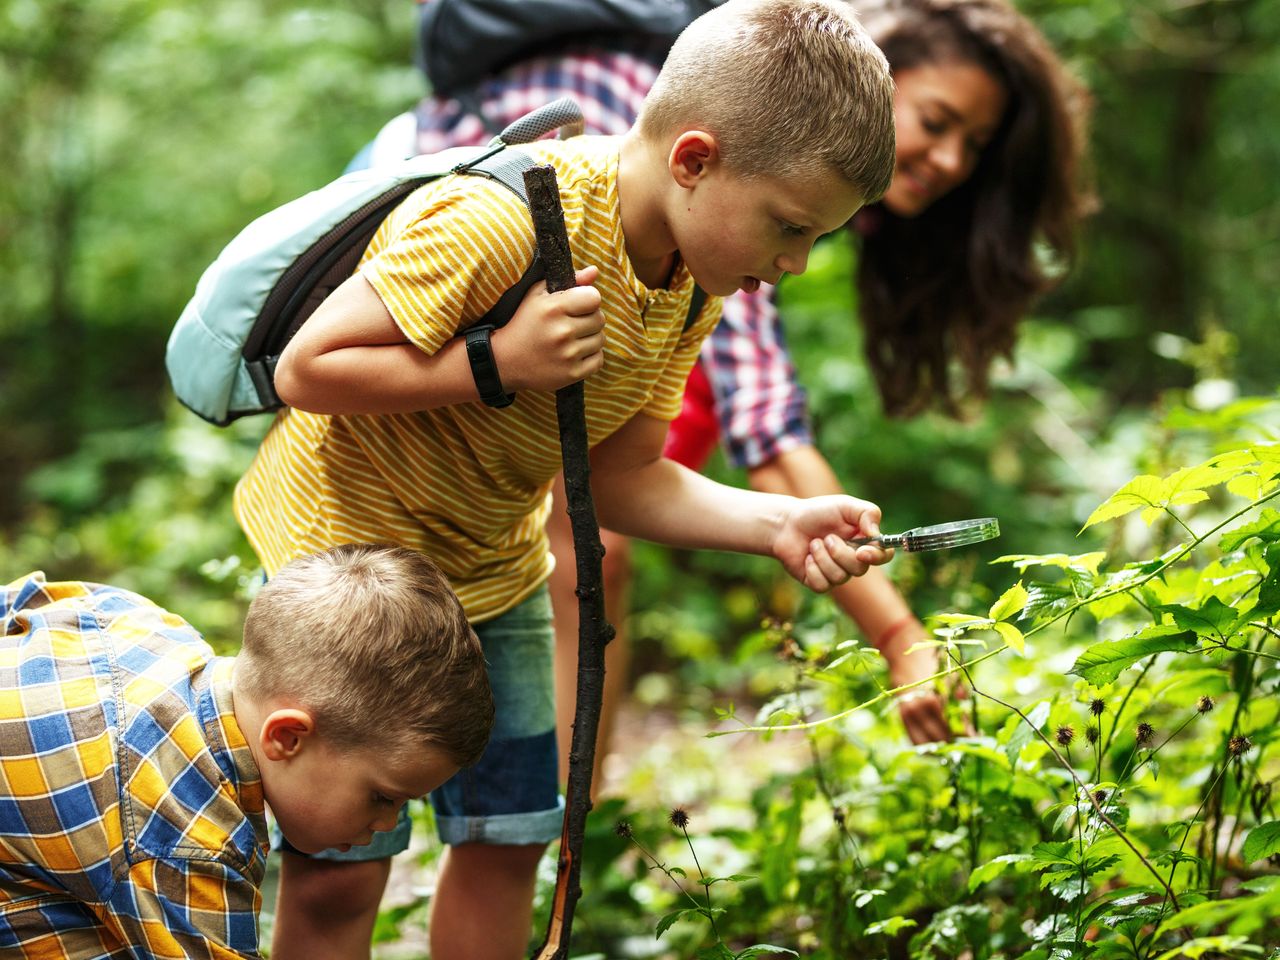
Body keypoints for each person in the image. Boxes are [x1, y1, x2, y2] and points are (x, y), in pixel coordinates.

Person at [231, 1, 898, 956]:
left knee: (509, 843)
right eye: (789, 228)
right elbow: (309, 370)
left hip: (497, 574)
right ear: (695, 160)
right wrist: (497, 360)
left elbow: (623, 480)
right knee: (343, 867)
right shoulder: (498, 220)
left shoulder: (685, 287)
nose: (791, 265)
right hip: (350, 569)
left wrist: (780, 522)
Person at [377, 0, 1092, 786]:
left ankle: (551, 833)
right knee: (585, 548)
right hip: (408, 255)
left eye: (975, 145)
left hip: (516, 329)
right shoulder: (722, 147)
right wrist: (898, 636)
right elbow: (769, 432)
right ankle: (525, 818)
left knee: (601, 522)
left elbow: (659, 457)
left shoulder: (768, 197)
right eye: (937, 119)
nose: (954, 161)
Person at [0, 543, 492, 959]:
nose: (387, 823)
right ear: (287, 738)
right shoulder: (190, 842)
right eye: (383, 798)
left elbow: (19, 601)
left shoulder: (149, 626)